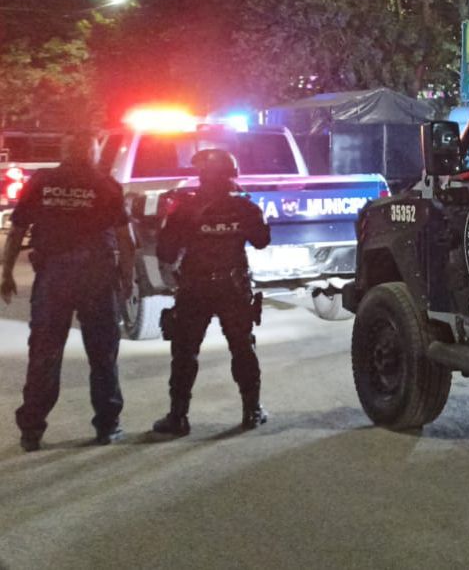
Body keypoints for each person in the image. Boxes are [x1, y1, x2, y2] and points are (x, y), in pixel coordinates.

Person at [1, 131, 134, 451]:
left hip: (53, 278)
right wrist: (126, 280)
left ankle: (31, 430)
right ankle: (107, 425)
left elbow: (17, 229)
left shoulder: (42, 182)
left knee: (44, 355)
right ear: (93, 151)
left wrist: (6, 272)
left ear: (64, 149)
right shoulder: (106, 185)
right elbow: (126, 239)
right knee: (103, 355)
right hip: (97, 279)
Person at [151, 148, 271, 436]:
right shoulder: (246, 209)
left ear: (201, 176)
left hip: (195, 288)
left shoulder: (186, 209)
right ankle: (251, 411)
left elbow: (165, 252)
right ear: (231, 177)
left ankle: (178, 417)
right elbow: (262, 241)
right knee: (242, 349)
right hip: (233, 288)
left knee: (184, 354)